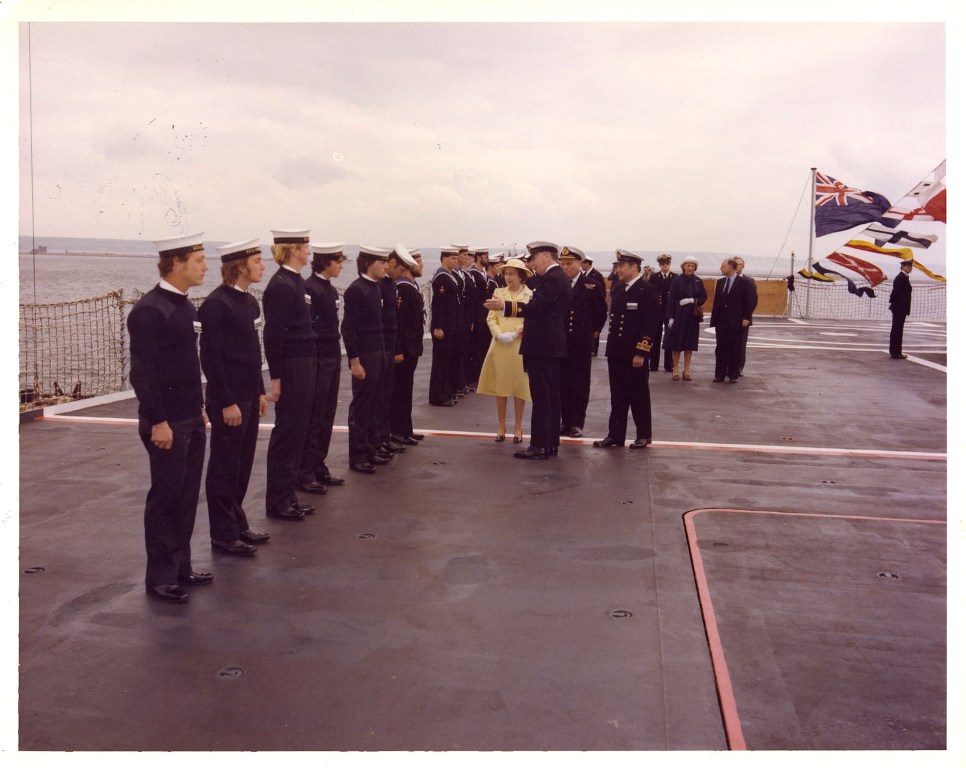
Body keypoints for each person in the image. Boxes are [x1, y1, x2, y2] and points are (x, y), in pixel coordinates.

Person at [128, 232, 210, 603]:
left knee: (187, 496)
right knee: (166, 497)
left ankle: (180, 566)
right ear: (176, 263)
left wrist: (200, 406)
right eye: (199, 260)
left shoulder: (185, 307)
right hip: (167, 422)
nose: (205, 267)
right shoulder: (150, 310)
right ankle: (160, 577)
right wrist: (158, 420)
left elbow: (186, 366)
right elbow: (143, 372)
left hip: (190, 416)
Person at [199, 238, 271, 559]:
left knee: (241, 466)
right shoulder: (217, 305)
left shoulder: (250, 303)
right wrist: (226, 401)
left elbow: (252, 354)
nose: (262, 266)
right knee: (224, 468)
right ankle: (223, 535)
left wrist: (258, 391)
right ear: (240, 266)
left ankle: (237, 524)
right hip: (227, 399)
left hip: (247, 396)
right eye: (257, 261)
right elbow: (211, 359)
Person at [484, 241, 571, 460]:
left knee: (543, 396)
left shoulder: (552, 278)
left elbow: (535, 307)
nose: (531, 264)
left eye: (533, 259)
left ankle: (540, 446)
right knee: (549, 396)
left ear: (545, 256)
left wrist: (504, 306)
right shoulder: (555, 277)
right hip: (547, 346)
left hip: (543, 347)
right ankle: (549, 443)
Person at [262, 229, 317, 521]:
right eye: (306, 247)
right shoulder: (282, 286)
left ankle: (288, 495)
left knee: (298, 431)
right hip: (293, 366)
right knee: (287, 433)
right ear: (295, 249)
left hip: (304, 363)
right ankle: (277, 501)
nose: (309, 252)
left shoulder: (296, 282)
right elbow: (273, 336)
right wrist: (277, 378)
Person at [593, 250, 661, 450]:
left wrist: (641, 352)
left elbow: (651, 325)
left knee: (638, 394)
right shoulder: (619, 289)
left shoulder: (647, 290)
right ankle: (615, 435)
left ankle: (644, 435)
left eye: (621, 266)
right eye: (617, 265)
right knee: (617, 396)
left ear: (634, 267)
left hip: (634, 354)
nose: (618, 269)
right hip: (616, 352)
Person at [297, 243, 347, 494]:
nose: (341, 266)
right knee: (315, 415)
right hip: (318, 358)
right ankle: (305, 471)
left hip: (332, 355)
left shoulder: (331, 290)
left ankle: (319, 464)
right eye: (338, 261)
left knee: (327, 413)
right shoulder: (310, 288)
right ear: (326, 262)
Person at [341, 246, 391, 473]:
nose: (386, 266)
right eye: (383, 262)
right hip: (364, 355)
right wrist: (354, 360)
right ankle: (357, 455)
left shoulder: (376, 288)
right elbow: (348, 328)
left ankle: (370, 448)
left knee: (373, 404)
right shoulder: (356, 290)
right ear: (370, 264)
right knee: (360, 406)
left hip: (377, 352)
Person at [477, 257, 533, 443]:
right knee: (500, 387)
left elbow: (531, 318)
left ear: (521, 276)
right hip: (500, 344)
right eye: (506, 274)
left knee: (519, 388)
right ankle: (501, 426)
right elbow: (491, 318)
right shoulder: (498, 292)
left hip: (520, 344)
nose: (508, 277)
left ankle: (518, 427)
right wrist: (499, 335)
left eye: (512, 274)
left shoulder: (529, 295)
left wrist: (518, 333)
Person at [558, 246, 607, 438]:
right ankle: (565, 421)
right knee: (563, 383)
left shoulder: (591, 286)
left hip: (581, 342)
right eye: (562, 264)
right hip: (561, 342)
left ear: (579, 263)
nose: (565, 267)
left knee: (579, 383)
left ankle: (577, 423)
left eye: (569, 263)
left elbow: (601, 313)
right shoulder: (558, 284)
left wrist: (592, 332)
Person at [389, 244, 424, 445]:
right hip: (405, 349)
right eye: (417, 262)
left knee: (406, 389)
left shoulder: (411, 286)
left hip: (412, 347)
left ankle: (406, 429)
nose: (421, 265)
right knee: (400, 391)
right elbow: (400, 321)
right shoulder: (403, 287)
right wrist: (398, 349)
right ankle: (398, 430)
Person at [663, 255, 708, 381]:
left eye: (693, 266)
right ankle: (675, 369)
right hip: (678, 315)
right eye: (688, 265)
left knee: (689, 344)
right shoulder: (676, 280)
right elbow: (671, 299)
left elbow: (703, 297)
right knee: (676, 344)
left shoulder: (698, 281)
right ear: (683, 267)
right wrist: (670, 317)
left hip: (692, 316)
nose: (690, 268)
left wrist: (692, 300)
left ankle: (686, 370)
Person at [710, 257, 753, 383]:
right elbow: (717, 302)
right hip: (722, 322)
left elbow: (749, 302)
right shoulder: (720, 282)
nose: (720, 268)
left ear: (731, 267)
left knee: (735, 349)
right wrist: (715, 319)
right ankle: (719, 374)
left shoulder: (745, 283)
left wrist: (746, 317)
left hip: (736, 321)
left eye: (723, 266)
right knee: (720, 348)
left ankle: (733, 374)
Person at [428, 247, 461, 406]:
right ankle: (437, 396)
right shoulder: (441, 277)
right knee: (441, 362)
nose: (456, 261)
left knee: (447, 361)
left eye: (457, 258)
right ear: (444, 259)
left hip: (451, 324)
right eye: (453, 258)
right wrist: (438, 326)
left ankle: (445, 392)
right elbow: (438, 305)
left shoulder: (450, 275)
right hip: (444, 326)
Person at [648, 254, 676, 372]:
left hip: (669, 311)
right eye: (662, 264)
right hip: (657, 311)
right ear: (659, 265)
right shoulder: (654, 277)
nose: (665, 266)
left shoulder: (675, 277)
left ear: (669, 264)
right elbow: (650, 294)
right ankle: (653, 364)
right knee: (655, 337)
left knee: (669, 337)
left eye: (667, 264)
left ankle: (669, 365)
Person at [734, 256, 758, 376]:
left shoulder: (749, 281)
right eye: (735, 264)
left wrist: (746, 317)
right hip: (729, 320)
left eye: (739, 264)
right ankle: (729, 367)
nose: (737, 266)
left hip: (743, 319)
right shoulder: (727, 280)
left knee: (741, 345)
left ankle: (738, 368)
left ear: (743, 266)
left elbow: (752, 301)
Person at [889, 258, 913, 359]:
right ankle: (896, 352)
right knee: (897, 330)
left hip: (900, 308)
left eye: (911, 266)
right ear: (903, 266)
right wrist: (894, 303)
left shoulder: (904, 277)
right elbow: (895, 293)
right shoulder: (901, 278)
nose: (910, 268)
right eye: (908, 266)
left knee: (897, 329)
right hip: (899, 308)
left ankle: (895, 351)